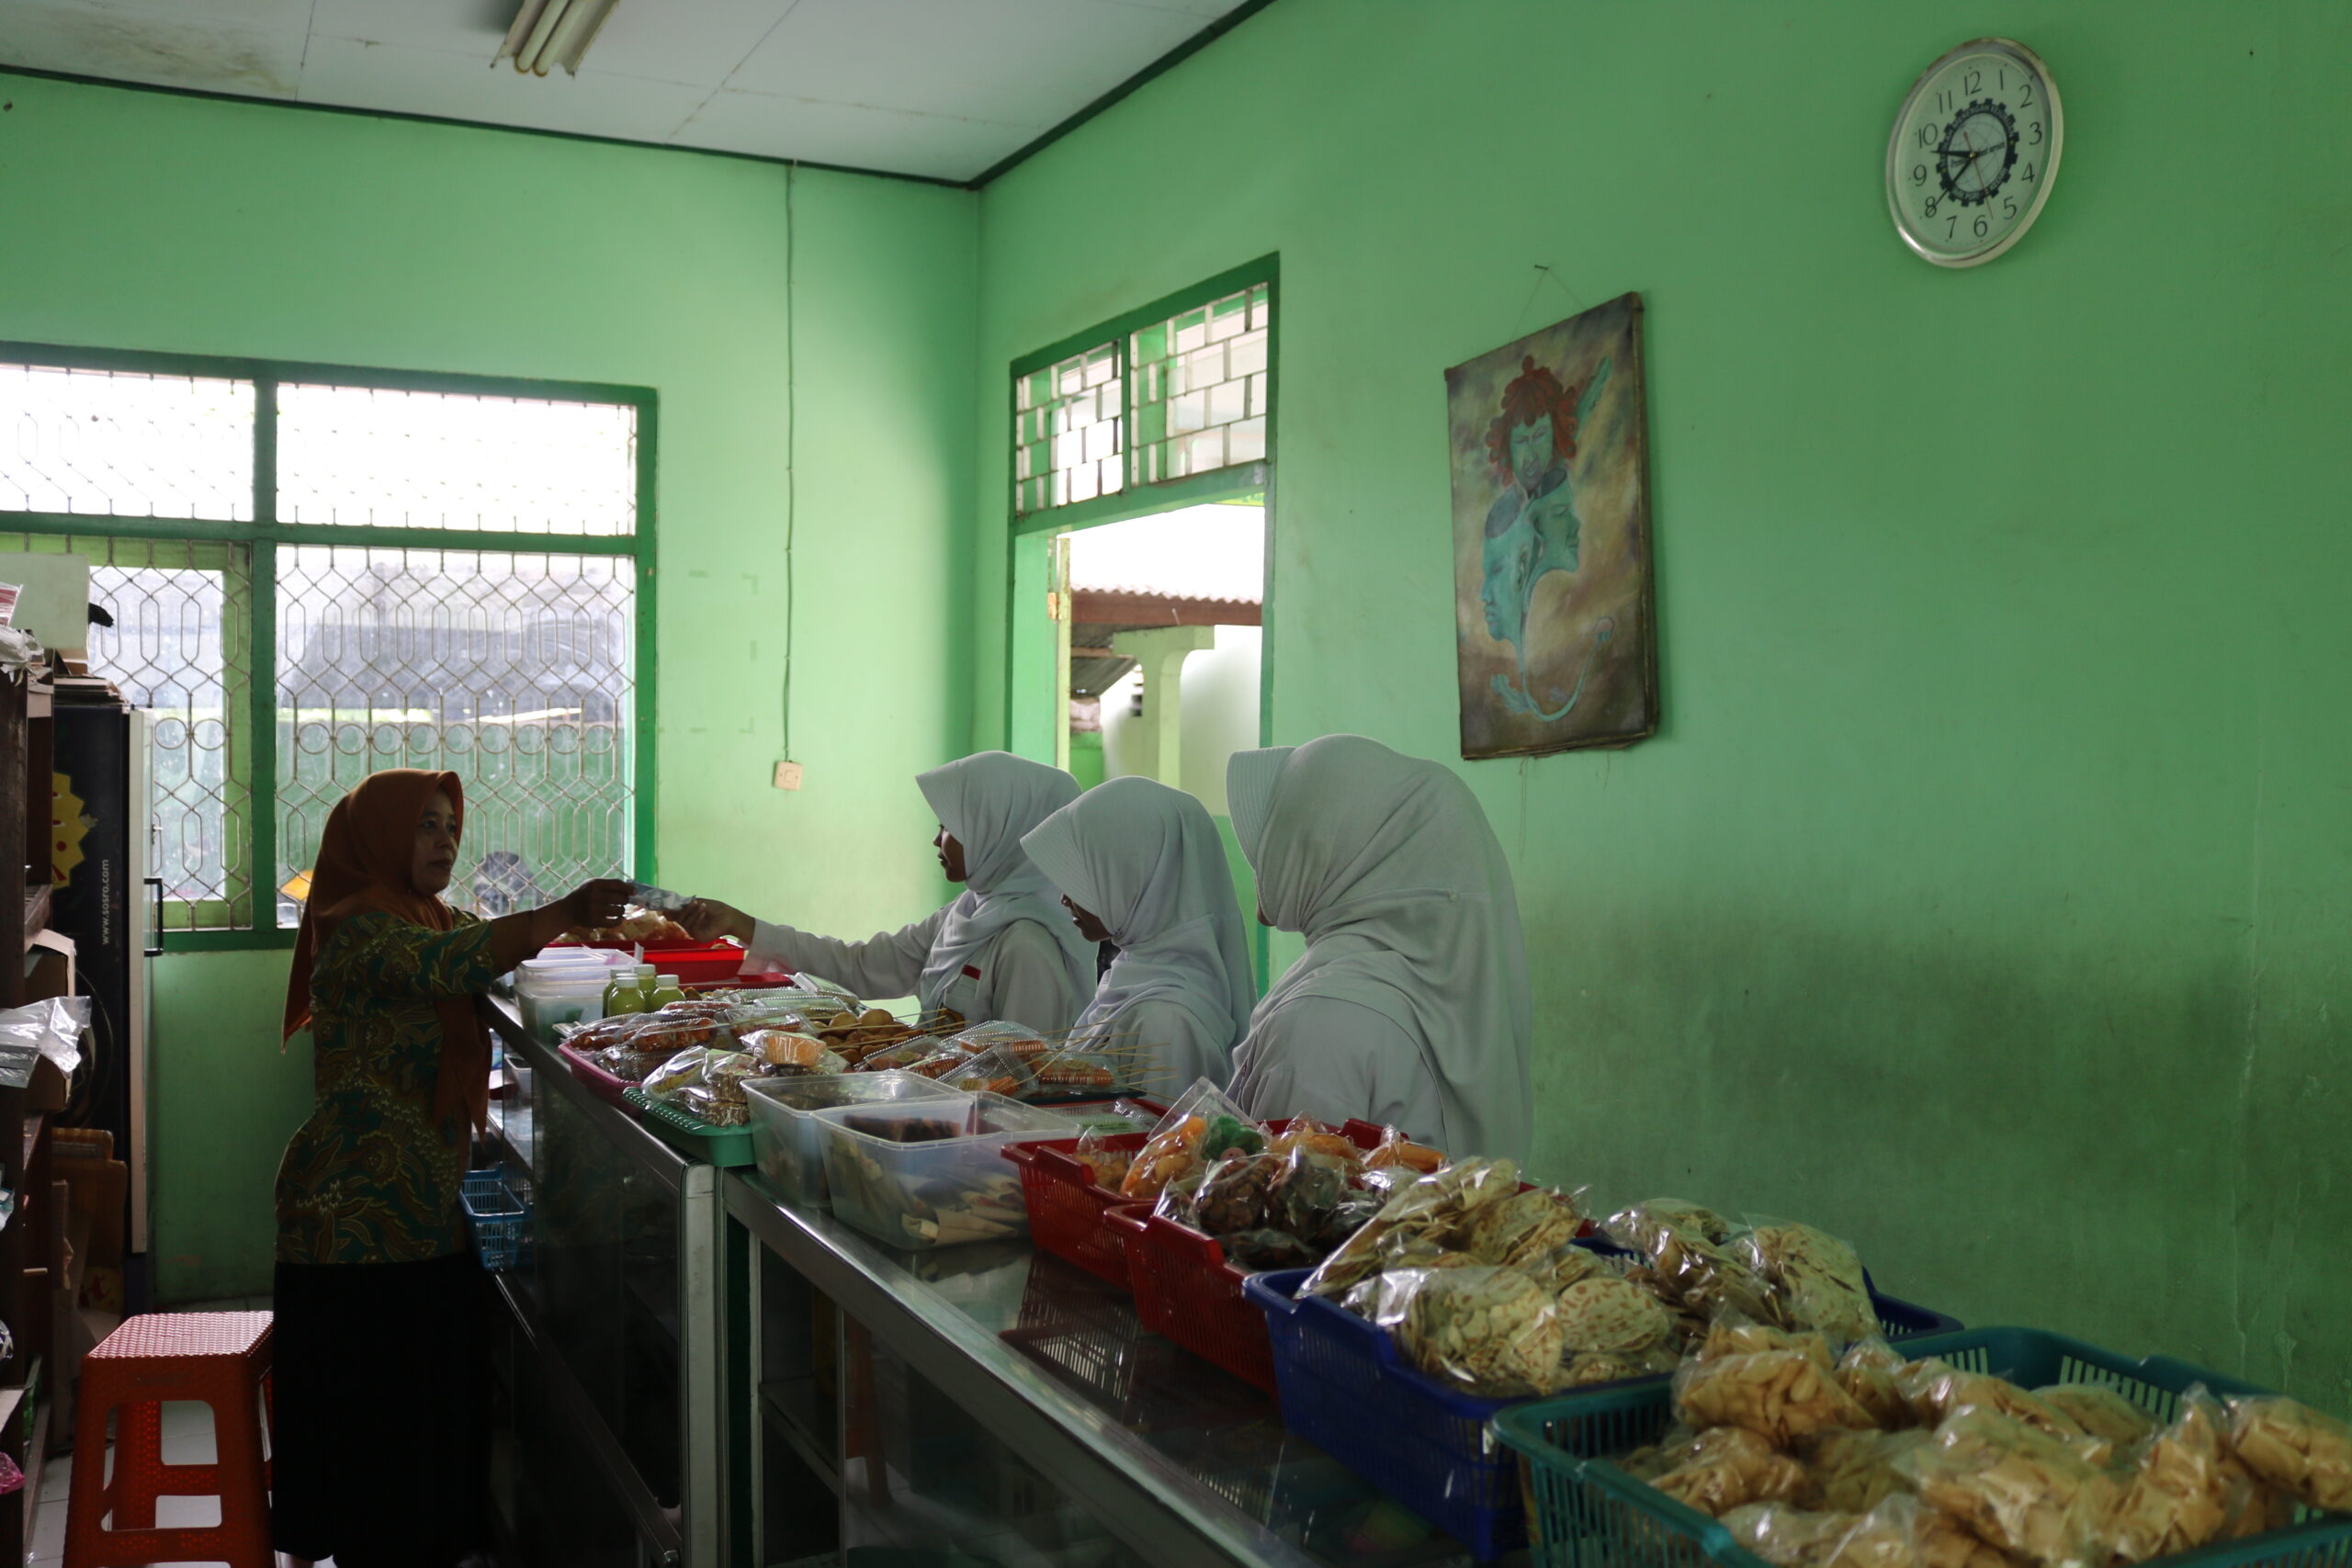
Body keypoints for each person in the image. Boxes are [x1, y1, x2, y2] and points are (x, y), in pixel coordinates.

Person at [274, 769, 631, 1568]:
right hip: (356, 1217)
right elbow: (453, 961)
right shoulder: (359, 927)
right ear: (380, 835)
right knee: (375, 1422)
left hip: (420, 1207)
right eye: (425, 825)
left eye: (451, 827)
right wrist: (564, 909)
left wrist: (600, 945)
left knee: (417, 1412)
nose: (446, 841)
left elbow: (491, 947)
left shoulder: (428, 912)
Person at [1222, 735, 1532, 1159]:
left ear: (1315, 848)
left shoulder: (1321, 1022)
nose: (1259, 873)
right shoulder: (1465, 1000)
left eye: (1268, 850)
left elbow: (1273, 1190)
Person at [683, 751, 1096, 1032]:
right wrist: (741, 924)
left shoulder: (1028, 944)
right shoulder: (969, 911)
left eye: (950, 828)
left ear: (999, 832)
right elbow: (862, 965)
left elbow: (1021, 1075)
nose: (937, 841)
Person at [1018, 774, 1257, 1089]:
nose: (1064, 898)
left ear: (1132, 878)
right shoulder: (1134, 976)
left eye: (1082, 879)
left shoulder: (1167, 1021)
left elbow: (1159, 1122)